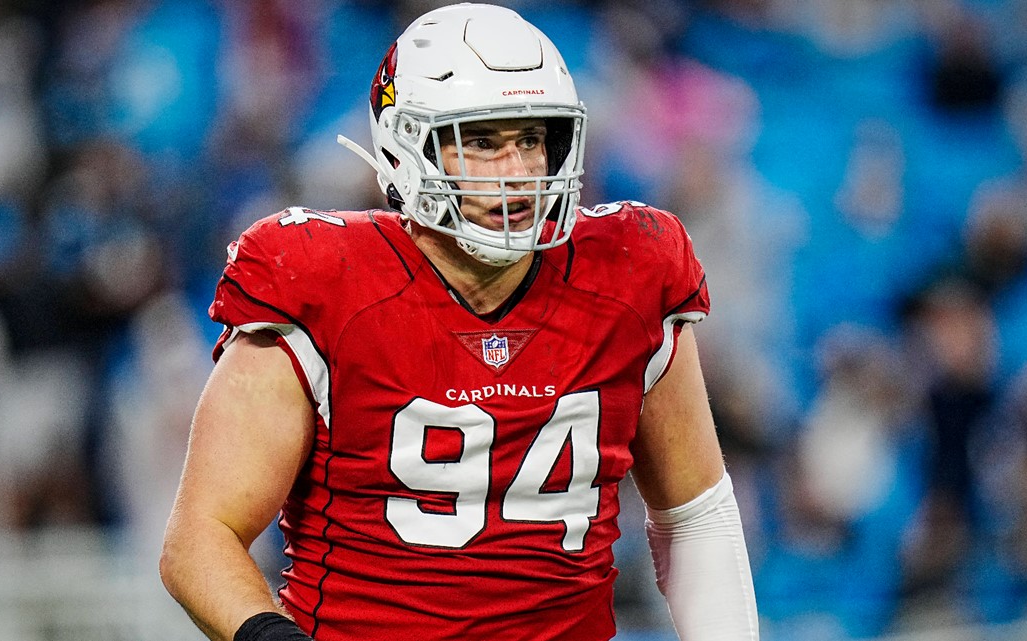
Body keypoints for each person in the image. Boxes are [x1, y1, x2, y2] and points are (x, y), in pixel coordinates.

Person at [159, 4, 759, 641]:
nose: (519, 173)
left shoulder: (631, 268)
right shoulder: (320, 280)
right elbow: (203, 535)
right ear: (405, 147)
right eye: (481, 141)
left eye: (532, 140)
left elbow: (695, 514)